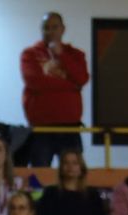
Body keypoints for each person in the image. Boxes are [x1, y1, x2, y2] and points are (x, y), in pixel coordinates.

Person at [18, 11, 88, 168]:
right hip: (41, 127)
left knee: (74, 172)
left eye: (54, 27)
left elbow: (82, 78)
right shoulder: (29, 54)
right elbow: (34, 82)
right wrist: (71, 86)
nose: (50, 31)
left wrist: (62, 55)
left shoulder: (76, 54)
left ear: (63, 29)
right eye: (46, 27)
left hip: (70, 126)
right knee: (39, 175)